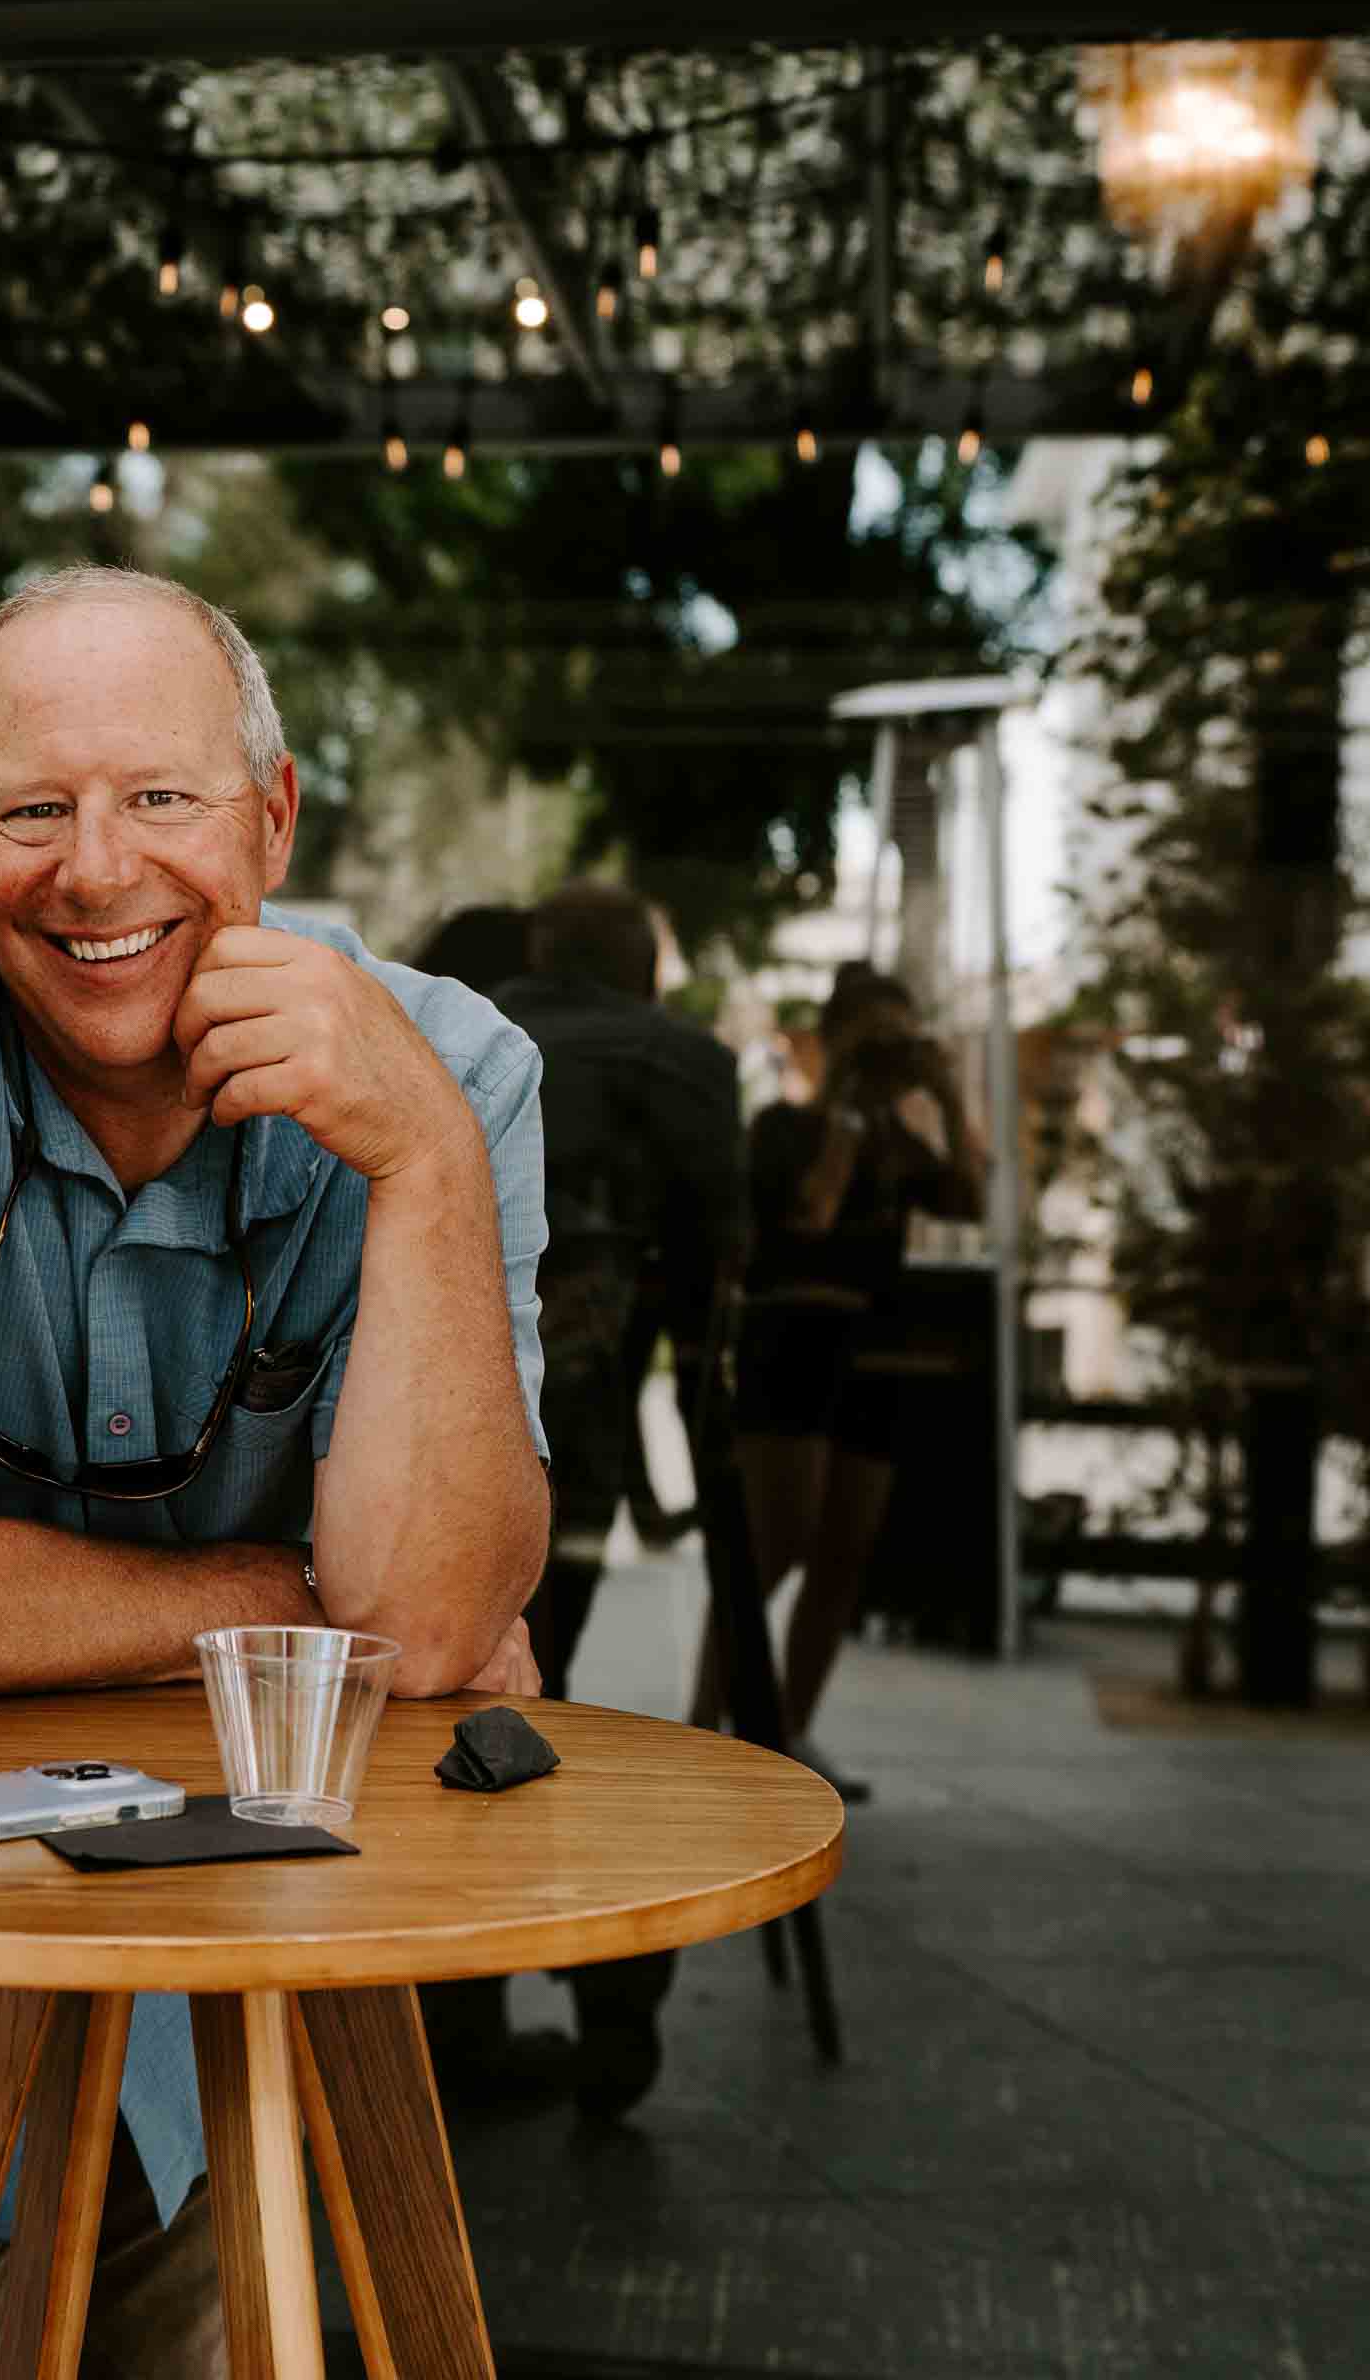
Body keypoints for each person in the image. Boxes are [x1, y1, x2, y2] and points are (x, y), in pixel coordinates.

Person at [0, 565, 550, 2377]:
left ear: (276, 817)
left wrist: (427, 1170)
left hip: (243, 1991)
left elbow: (446, 1610)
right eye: (32, 811)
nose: (97, 868)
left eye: (161, 798)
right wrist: (302, 1605)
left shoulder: (456, 1072)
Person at [413, 880, 740, 2119]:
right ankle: (607, 1989)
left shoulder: (445, 1030)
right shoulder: (677, 1065)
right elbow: (715, 1278)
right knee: (536, 1710)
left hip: (447, 1448)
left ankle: (472, 2016)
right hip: (581, 1453)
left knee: (473, 1710)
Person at [729, 961, 982, 1801]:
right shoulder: (782, 1127)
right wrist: (846, 1109)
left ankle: (793, 1730)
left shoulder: (903, 1141)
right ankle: (705, 1721)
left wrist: (944, 1095)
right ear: (834, 1038)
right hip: (792, 1343)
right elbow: (813, 1211)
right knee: (776, 1544)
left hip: (877, 1350)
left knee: (843, 1550)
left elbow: (972, 1200)